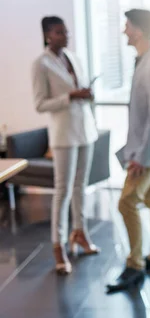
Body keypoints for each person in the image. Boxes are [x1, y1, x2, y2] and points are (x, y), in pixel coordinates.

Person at [106, 9, 150, 293]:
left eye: (128, 26)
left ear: (139, 31)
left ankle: (135, 265)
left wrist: (142, 158)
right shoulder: (145, 63)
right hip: (148, 149)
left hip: (149, 151)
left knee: (126, 202)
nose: (124, 31)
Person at [32, 16, 100, 276]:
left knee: (81, 187)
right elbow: (40, 104)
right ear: (48, 35)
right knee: (62, 191)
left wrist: (85, 94)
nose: (65, 35)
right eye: (60, 32)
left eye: (66, 31)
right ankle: (58, 245)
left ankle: (79, 233)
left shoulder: (73, 57)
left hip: (85, 131)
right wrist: (70, 96)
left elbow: (78, 90)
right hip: (63, 136)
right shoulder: (40, 64)